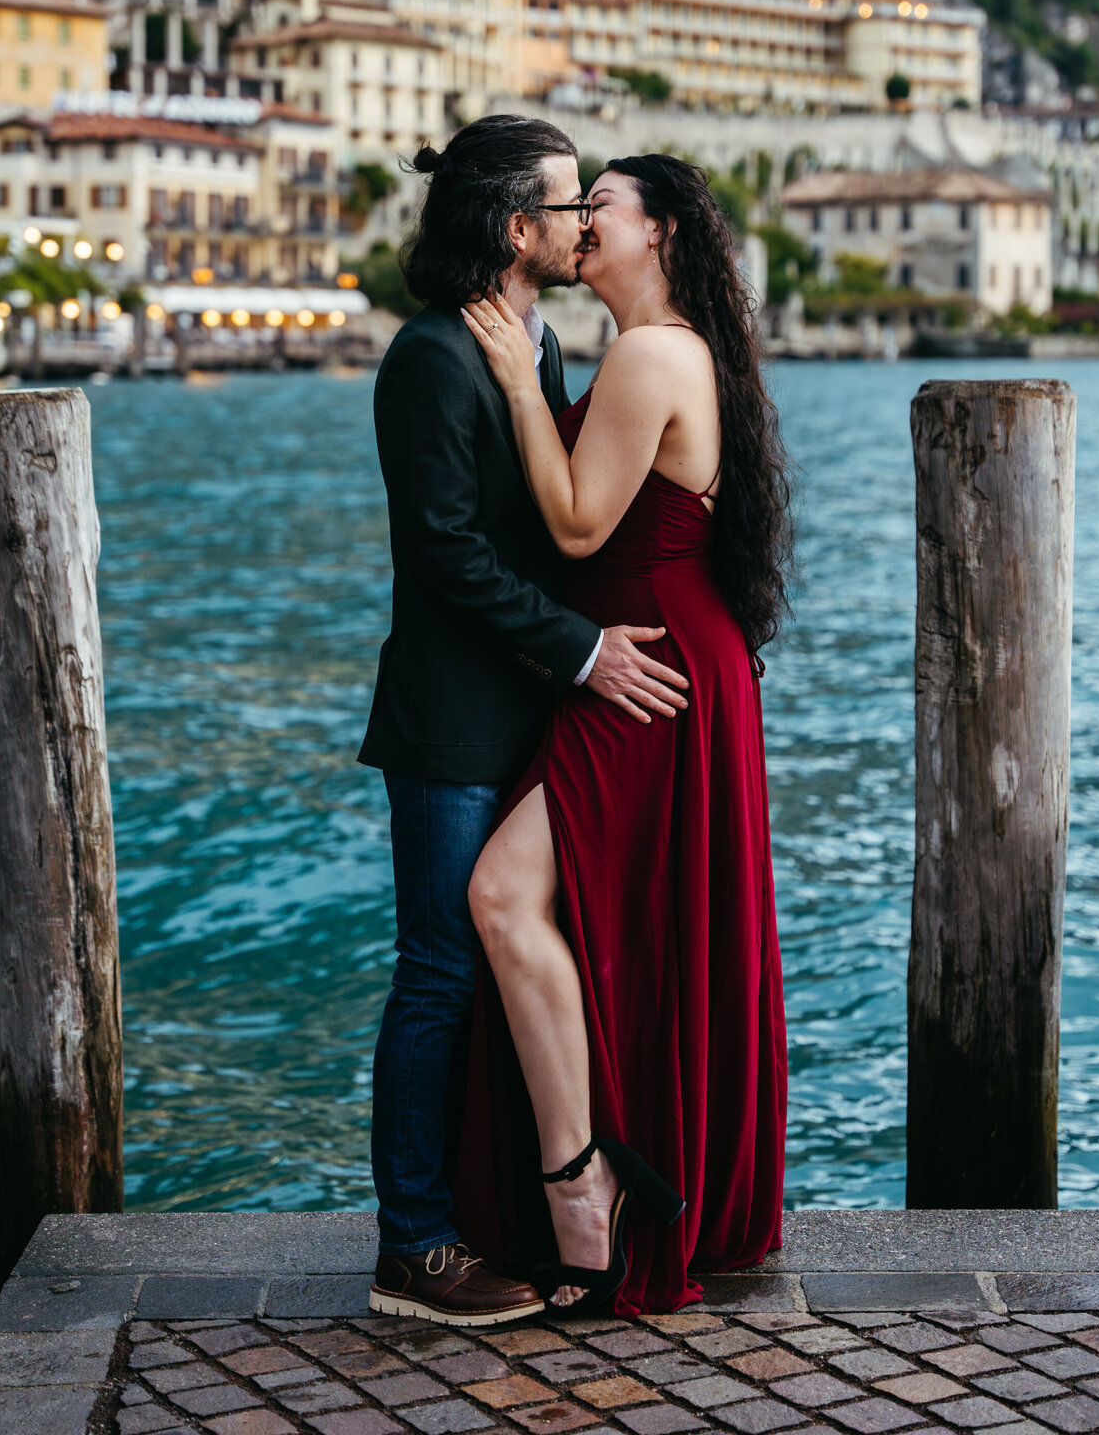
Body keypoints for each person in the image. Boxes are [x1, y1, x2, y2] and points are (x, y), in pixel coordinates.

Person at [360, 117, 692, 1326]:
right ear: (516, 230)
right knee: (442, 975)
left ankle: (498, 1209)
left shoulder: (529, 344)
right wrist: (587, 649)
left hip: (529, 713)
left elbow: (554, 523)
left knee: (497, 965)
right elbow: (446, 556)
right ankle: (414, 1245)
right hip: (452, 725)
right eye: (566, 206)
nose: (581, 222)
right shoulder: (432, 358)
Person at [455, 155, 791, 1317]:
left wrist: (510, 378)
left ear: (663, 235)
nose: (582, 220)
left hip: (646, 671)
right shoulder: (665, 348)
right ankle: (600, 1175)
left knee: (503, 896)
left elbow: (581, 523)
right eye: (578, 203)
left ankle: (579, 1181)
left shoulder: (654, 352)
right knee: (612, 917)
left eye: (604, 206)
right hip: (655, 663)